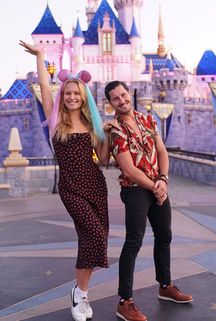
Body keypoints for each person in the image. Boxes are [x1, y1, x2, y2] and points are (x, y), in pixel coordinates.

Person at [20, 40, 114, 321]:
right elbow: (45, 85)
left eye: (77, 93)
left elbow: (105, 160)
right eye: (68, 92)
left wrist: (109, 134)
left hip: (96, 186)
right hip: (72, 188)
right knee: (94, 236)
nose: (72, 96)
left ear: (84, 96)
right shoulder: (55, 119)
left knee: (95, 240)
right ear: (63, 94)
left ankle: (81, 294)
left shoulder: (91, 125)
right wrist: (40, 56)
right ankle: (80, 294)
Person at [104, 80, 193, 321]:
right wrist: (156, 187)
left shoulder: (148, 120)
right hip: (135, 190)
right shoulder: (115, 130)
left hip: (157, 186)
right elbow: (129, 170)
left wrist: (163, 180)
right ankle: (125, 301)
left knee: (164, 235)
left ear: (129, 94)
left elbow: (162, 151)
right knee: (133, 241)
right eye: (116, 98)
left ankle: (165, 286)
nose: (122, 100)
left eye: (123, 95)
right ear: (110, 103)